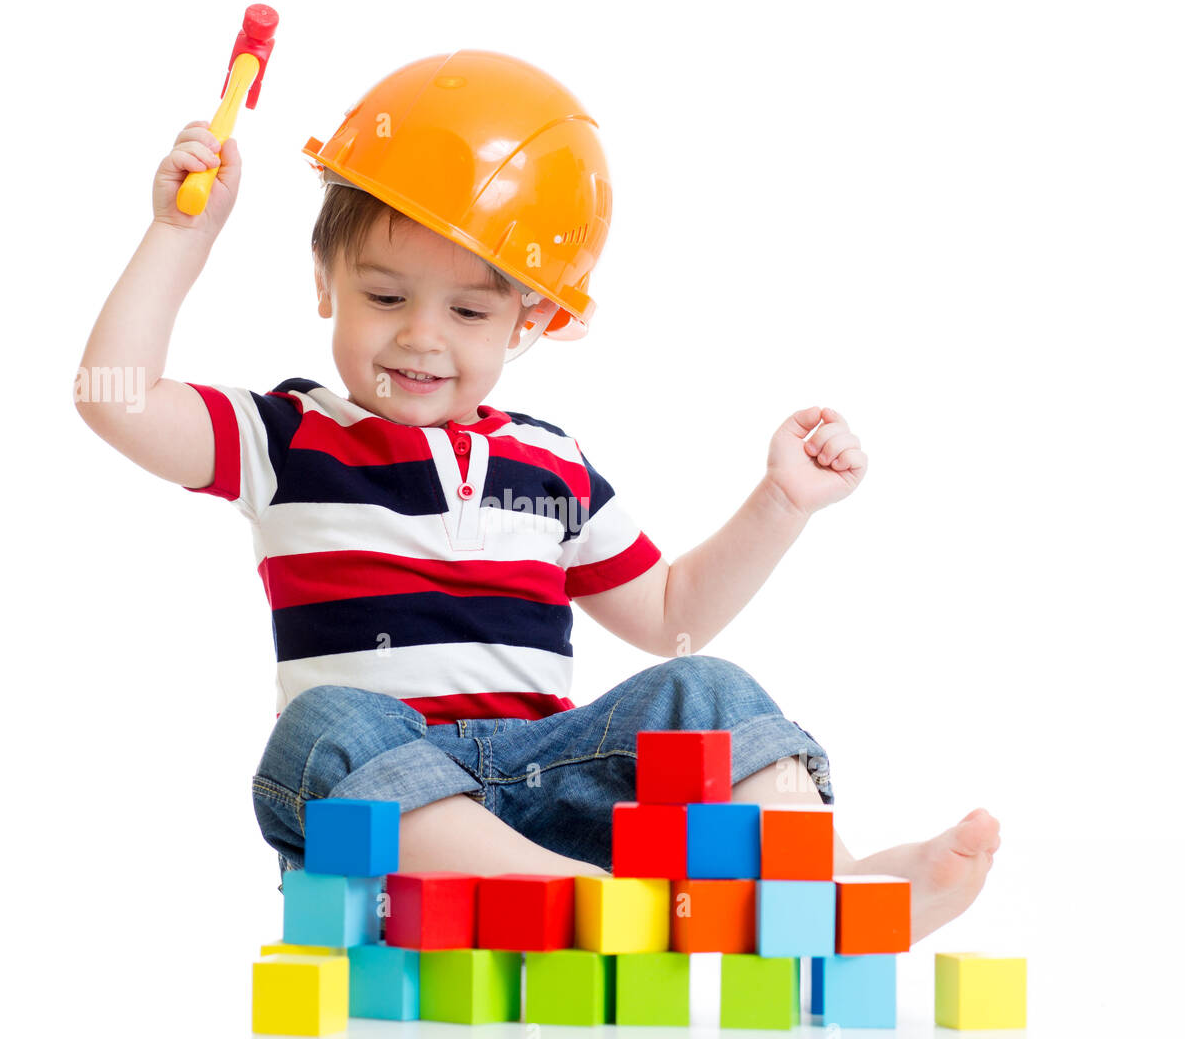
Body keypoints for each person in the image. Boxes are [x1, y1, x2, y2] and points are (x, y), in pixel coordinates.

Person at [75, 51, 998, 945]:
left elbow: (672, 620)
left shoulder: (550, 463)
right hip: (402, 824)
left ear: (533, 320)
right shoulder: (284, 436)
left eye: (469, 312)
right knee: (323, 730)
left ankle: (834, 892)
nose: (421, 338)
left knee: (708, 690)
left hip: (554, 787)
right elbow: (114, 397)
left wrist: (780, 503)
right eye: (385, 296)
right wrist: (181, 233)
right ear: (325, 284)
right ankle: (573, 901)